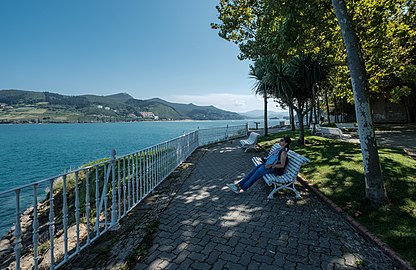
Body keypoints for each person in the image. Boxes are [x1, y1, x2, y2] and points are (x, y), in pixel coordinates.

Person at [227, 136, 291, 194]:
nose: (280, 140)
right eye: (280, 139)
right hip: (267, 165)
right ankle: (238, 185)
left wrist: (271, 165)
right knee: (251, 173)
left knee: (254, 176)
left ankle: (241, 189)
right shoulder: (279, 149)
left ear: (286, 143)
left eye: (282, 140)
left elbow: (282, 165)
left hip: (273, 168)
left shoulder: (283, 152)